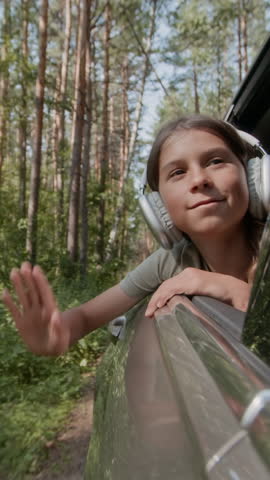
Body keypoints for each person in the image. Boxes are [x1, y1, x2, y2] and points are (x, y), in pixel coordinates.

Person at [1, 114, 265, 357]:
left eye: (216, 161)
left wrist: (230, 289)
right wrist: (54, 336)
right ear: (159, 208)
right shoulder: (171, 261)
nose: (199, 180)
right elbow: (85, 316)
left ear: (253, 177)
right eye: (178, 173)